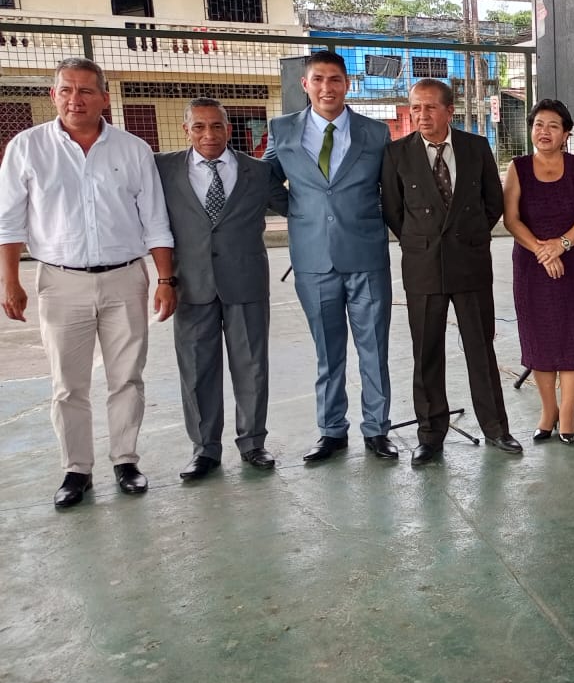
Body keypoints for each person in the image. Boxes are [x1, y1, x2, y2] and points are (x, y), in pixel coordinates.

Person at [0, 57, 175, 507]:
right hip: (60, 282)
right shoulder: (27, 147)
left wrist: (165, 278)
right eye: (65, 89)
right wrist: (10, 281)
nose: (74, 99)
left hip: (125, 279)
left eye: (85, 91)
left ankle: (126, 461)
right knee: (67, 384)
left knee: (127, 377)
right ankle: (76, 470)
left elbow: (155, 220)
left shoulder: (133, 149)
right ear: (53, 94)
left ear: (103, 97)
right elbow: (8, 221)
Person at [264, 51, 398, 463]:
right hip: (313, 259)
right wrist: (300, 213)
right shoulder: (282, 130)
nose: (327, 88)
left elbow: (391, 188)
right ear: (305, 84)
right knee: (328, 350)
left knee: (374, 348)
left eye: (335, 79)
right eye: (318, 79)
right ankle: (331, 430)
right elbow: (267, 182)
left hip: (366, 257)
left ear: (347, 84)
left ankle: (377, 429)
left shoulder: (375, 133)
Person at [381, 79, 523, 465]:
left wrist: (468, 237)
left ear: (449, 110)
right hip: (423, 266)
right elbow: (393, 211)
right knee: (426, 352)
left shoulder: (476, 147)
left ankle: (496, 428)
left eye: (430, 107)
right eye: (415, 108)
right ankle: (430, 435)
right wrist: (424, 241)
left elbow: (492, 202)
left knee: (481, 348)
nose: (421, 115)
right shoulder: (396, 153)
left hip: (470, 262)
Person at [155, 98, 288, 481]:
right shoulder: (163, 169)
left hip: (245, 283)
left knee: (252, 366)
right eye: (199, 127)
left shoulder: (257, 171)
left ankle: (253, 443)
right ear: (186, 130)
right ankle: (204, 449)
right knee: (197, 370)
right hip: (190, 284)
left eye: (216, 126)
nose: (208, 134)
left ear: (228, 129)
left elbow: (294, 207)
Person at [502, 99, 574, 444]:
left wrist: (561, 244)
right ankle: (548, 412)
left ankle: (568, 413)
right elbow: (511, 219)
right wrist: (543, 251)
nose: (544, 132)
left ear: (566, 134)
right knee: (540, 341)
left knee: (573, 338)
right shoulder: (518, 168)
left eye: (553, 126)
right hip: (531, 267)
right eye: (538, 125)